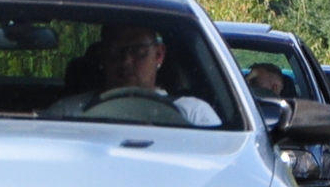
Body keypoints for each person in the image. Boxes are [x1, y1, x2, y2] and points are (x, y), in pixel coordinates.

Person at [48, 22, 220, 126]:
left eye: (138, 51)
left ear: (159, 55)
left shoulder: (194, 114)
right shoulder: (68, 112)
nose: (126, 61)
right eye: (116, 51)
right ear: (102, 56)